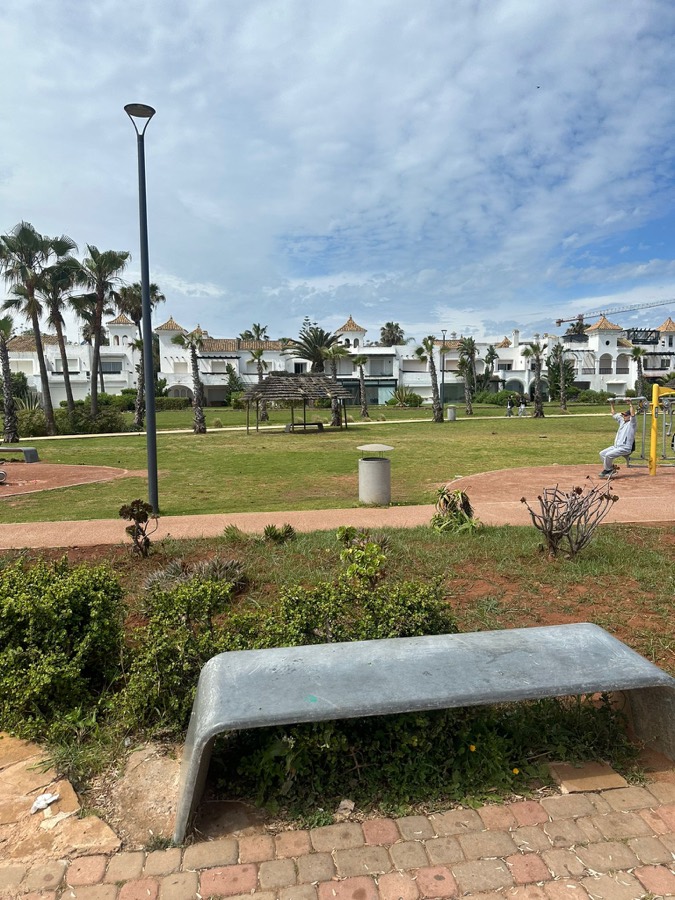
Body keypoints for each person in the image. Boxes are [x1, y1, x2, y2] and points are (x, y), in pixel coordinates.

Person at [599, 399, 637, 476]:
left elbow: (633, 415)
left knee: (608, 455)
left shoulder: (632, 424)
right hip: (616, 446)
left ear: (629, 416)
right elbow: (614, 414)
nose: (624, 416)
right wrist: (612, 404)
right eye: (623, 415)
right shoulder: (622, 421)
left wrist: (630, 404)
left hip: (625, 447)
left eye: (626, 415)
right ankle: (610, 468)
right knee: (602, 454)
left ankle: (608, 470)